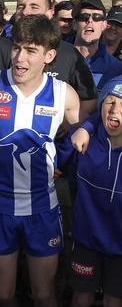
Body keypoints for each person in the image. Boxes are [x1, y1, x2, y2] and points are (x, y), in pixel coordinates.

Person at [0, 14, 80, 306]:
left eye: (31, 50)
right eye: (17, 48)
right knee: (3, 294)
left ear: (49, 55)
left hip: (43, 211)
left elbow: (89, 131)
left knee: (44, 294)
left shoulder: (64, 94)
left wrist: (64, 158)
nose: (20, 58)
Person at [60, 77, 122, 307]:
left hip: (120, 248)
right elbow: (54, 165)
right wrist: (85, 127)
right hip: (86, 241)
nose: (115, 109)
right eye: (110, 101)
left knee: (113, 300)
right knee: (81, 296)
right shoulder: (83, 141)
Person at [70, 0, 122, 92]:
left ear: (104, 25)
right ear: (74, 24)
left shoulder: (117, 68)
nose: (90, 21)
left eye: (97, 17)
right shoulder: (54, 56)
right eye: (84, 16)